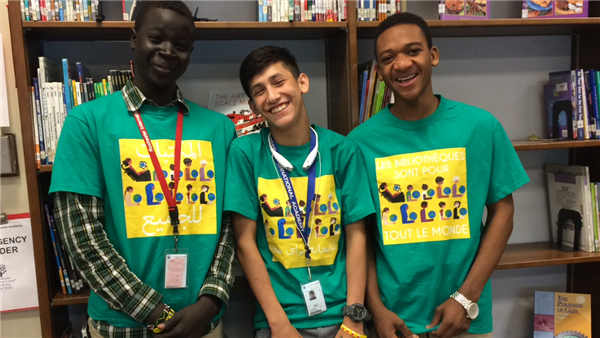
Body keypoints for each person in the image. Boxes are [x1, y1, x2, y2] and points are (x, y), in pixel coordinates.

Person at [49, 0, 237, 336]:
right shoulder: (86, 122)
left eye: (180, 46)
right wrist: (158, 312)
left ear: (190, 51)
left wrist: (211, 301)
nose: (167, 51)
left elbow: (230, 226)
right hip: (122, 325)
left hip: (203, 323)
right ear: (134, 39)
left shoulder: (220, 129)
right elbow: (81, 238)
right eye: (156, 38)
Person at [348, 12, 529, 338]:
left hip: (464, 319)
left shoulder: (480, 126)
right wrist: (375, 309)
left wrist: (465, 298)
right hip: (393, 322)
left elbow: (504, 212)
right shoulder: (359, 143)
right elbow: (362, 236)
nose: (401, 64)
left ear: (433, 55)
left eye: (413, 51)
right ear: (380, 69)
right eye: (388, 58)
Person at [225, 46, 375, 338]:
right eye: (260, 90)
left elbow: (357, 236)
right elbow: (245, 243)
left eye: (278, 82)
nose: (272, 96)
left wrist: (354, 316)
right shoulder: (246, 153)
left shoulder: (341, 150)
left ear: (302, 82)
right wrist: (279, 325)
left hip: (343, 317)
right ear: (253, 107)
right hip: (279, 321)